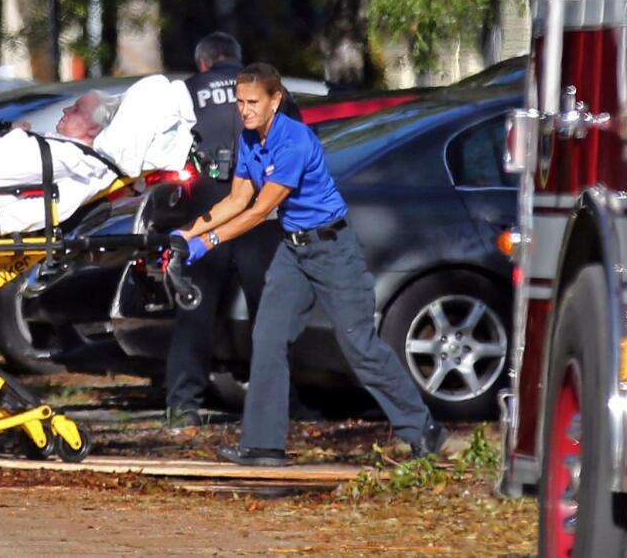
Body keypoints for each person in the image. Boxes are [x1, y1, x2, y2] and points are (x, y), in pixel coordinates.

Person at [176, 62, 445, 466]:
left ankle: (423, 429)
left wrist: (208, 241)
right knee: (266, 337)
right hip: (293, 251)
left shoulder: (295, 141)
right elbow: (235, 200)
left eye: (252, 102)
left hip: (332, 248)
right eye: (239, 103)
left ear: (275, 100)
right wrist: (186, 234)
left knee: (359, 346)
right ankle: (263, 446)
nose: (244, 110)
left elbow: (258, 210)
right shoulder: (250, 140)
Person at [164, 33, 300, 428]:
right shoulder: (270, 91)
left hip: (206, 207)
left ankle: (182, 406)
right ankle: (281, 405)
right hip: (261, 210)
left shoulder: (187, 92)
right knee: (270, 314)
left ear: (203, 62)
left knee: (195, 310)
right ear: (239, 60)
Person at [12, 89, 119, 144]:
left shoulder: (70, 157)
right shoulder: (58, 145)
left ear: (94, 129)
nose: (65, 110)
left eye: (77, 110)